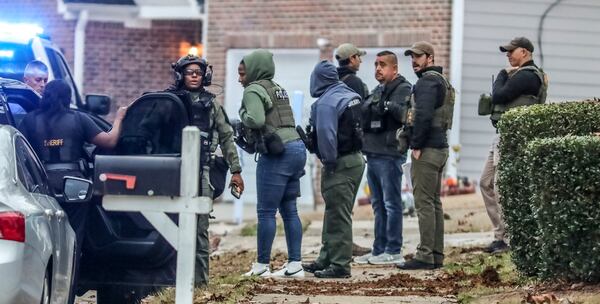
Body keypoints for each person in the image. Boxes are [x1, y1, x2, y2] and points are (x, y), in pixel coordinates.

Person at [18, 79, 127, 293]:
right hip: (73, 187)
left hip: (40, 186)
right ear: (68, 98)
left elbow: (20, 153)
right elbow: (110, 141)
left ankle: (40, 288)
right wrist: (119, 118)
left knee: (42, 239)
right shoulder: (79, 119)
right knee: (72, 240)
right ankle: (67, 289)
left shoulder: (29, 121)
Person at [166, 54, 244, 285]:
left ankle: (199, 283)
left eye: (198, 73)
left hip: (203, 172)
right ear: (180, 75)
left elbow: (228, 138)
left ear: (205, 76)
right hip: (172, 170)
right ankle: (171, 280)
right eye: (189, 72)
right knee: (169, 225)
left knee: (200, 229)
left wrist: (236, 170)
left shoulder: (212, 105)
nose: (194, 76)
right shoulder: (169, 101)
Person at [237, 49, 307, 277]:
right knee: (289, 210)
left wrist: (241, 118)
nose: (240, 79)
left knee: (266, 212)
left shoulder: (253, 89)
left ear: (254, 71)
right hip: (297, 149)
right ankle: (295, 264)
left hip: (278, 154)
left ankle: (261, 266)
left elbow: (256, 119)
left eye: (242, 73)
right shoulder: (278, 89)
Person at [480, 37, 547, 254]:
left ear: (525, 52)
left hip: (512, 136)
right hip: (502, 134)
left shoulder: (528, 76)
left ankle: (508, 238)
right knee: (486, 182)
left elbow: (499, 94)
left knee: (500, 186)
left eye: (511, 51)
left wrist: (501, 75)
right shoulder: (520, 74)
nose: (508, 55)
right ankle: (500, 235)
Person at [301, 60, 365, 278]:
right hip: (356, 159)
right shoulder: (348, 94)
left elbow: (328, 136)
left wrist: (327, 161)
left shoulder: (327, 102)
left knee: (338, 215)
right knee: (334, 212)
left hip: (339, 163)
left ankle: (339, 265)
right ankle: (326, 257)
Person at [397, 41, 454, 270]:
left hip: (428, 148)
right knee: (434, 203)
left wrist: (416, 144)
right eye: (412, 57)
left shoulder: (428, 82)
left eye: (418, 57)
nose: (414, 61)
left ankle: (425, 255)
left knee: (423, 203)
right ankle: (436, 254)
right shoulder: (441, 81)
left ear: (430, 57)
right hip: (440, 147)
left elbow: (423, 115)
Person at [354, 51, 412, 265]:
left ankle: (394, 249)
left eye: (383, 65)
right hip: (373, 153)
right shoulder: (378, 90)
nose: (378, 68)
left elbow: (404, 114)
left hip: (390, 155)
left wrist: (386, 106)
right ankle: (379, 249)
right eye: (376, 64)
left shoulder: (403, 88)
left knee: (391, 203)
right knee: (378, 204)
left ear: (394, 68)